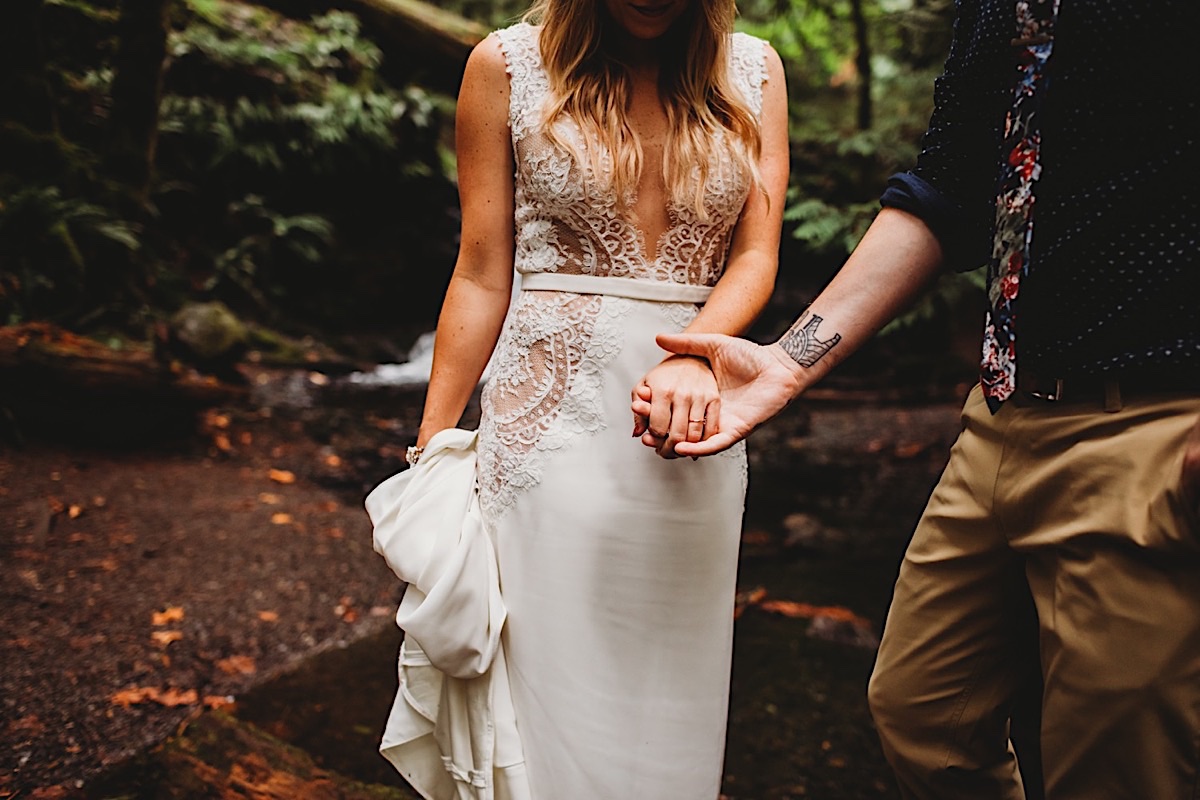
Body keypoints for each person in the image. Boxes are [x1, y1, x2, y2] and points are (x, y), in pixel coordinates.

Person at [634, 1, 1200, 797]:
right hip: (1004, 411)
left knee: (1116, 763)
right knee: (923, 715)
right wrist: (789, 362)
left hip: (1154, 414)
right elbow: (946, 190)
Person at [402, 0, 789, 794]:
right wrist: (431, 449)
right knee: (543, 680)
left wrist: (695, 352)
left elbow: (755, 256)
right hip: (545, 425)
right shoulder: (503, 66)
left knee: (669, 694)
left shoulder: (754, 72)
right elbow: (481, 269)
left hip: (693, 423)